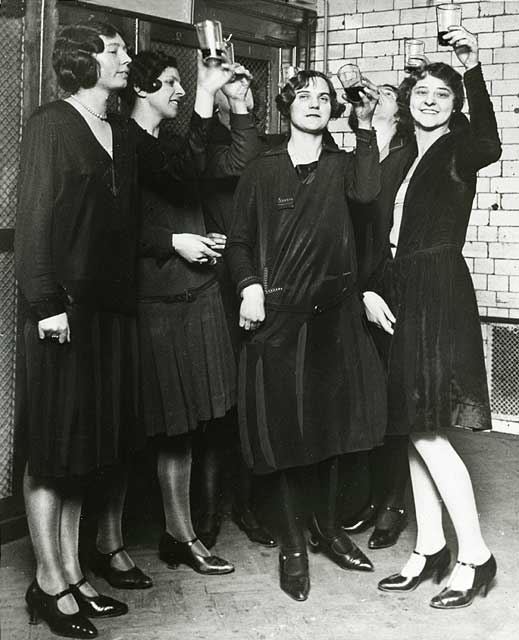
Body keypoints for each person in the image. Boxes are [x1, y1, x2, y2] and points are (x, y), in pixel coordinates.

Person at [226, 69, 387, 601]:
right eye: (304, 96)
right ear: (284, 106)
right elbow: (239, 242)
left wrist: (363, 124)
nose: (315, 104)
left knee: (333, 432)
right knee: (289, 436)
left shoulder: (344, 165)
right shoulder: (262, 169)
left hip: (334, 321)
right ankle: (294, 544)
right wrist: (249, 286)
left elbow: (368, 193)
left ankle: (330, 530)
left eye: (325, 98)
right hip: (281, 321)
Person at [367, 27, 501, 609]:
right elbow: (376, 229)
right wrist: (372, 289)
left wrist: (469, 67)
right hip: (399, 287)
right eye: (421, 91)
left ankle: (474, 554)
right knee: (413, 424)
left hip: (439, 286)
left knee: (426, 426)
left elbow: (491, 145)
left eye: (441, 95)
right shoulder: (401, 155)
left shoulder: (459, 148)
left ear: (454, 106)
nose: (429, 100)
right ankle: (427, 548)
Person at [15, 21, 140, 639]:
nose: (123, 58)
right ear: (80, 60)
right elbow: (35, 218)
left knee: (84, 446)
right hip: (61, 311)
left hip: (107, 315)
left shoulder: (117, 129)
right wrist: (46, 305)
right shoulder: (50, 124)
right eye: (113, 49)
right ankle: (47, 581)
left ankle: (71, 571)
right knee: (53, 445)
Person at [125, 50, 258, 575]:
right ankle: (165, 537)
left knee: (190, 425)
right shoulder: (124, 141)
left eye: (184, 84)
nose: (179, 91)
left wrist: (237, 103)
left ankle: (179, 534)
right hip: (158, 302)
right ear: (142, 89)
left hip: (195, 295)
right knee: (170, 426)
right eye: (172, 83)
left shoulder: (169, 144)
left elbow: (222, 165)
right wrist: (173, 240)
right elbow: (113, 225)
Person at [340, 83, 411, 550]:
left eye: (389, 91)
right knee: (359, 397)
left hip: (393, 289)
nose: (378, 94)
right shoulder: (356, 154)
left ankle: (392, 503)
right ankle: (365, 498)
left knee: (394, 398)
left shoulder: (408, 155)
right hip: (354, 289)